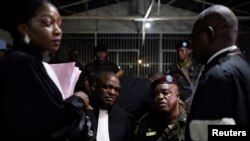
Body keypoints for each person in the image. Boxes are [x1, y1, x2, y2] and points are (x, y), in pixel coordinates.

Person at [0, 0, 93, 140]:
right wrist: (77, 100)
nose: (58, 30)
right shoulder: (21, 62)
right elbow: (46, 125)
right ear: (24, 29)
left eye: (59, 24)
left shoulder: (33, 62)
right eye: (47, 23)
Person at [186, 5, 250, 141]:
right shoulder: (242, 65)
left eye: (194, 37)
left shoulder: (219, 75)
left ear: (210, 35)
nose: (191, 45)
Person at [134, 74, 186, 141]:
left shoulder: (190, 122)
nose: (160, 97)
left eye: (165, 93)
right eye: (156, 94)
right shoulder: (146, 123)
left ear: (178, 96)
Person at [87, 71, 135, 141]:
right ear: (94, 86)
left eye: (117, 90)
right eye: (107, 87)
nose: (112, 93)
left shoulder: (125, 118)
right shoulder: (82, 111)